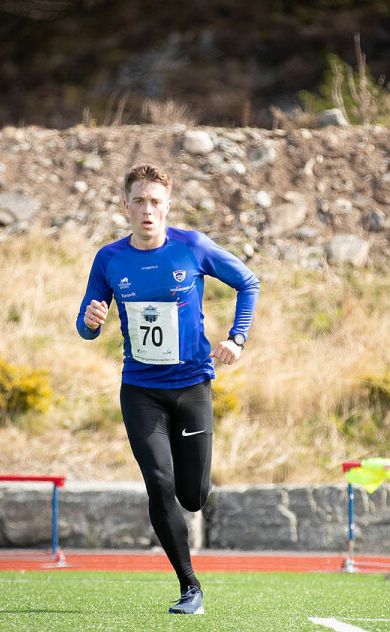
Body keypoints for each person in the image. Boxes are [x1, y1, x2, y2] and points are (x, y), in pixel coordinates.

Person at [76, 163, 259, 615]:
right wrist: (91, 320)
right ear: (125, 205)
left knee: (191, 496)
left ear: (168, 206)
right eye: (138, 201)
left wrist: (237, 338)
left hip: (193, 386)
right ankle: (189, 588)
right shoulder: (110, 258)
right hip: (140, 391)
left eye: (155, 201)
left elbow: (248, 282)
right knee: (158, 483)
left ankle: (186, 495)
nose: (147, 210)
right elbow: (85, 322)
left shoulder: (191, 246)